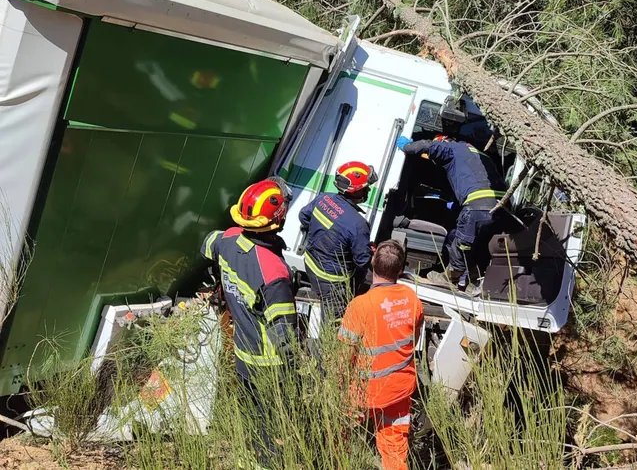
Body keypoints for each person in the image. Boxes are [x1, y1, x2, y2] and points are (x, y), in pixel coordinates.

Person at [200, 177, 298, 469]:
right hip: (269, 364)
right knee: (274, 427)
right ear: (276, 220)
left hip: (242, 354)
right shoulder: (273, 272)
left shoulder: (227, 239)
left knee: (253, 416)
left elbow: (208, 244)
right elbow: (284, 337)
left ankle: (252, 456)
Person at [338, 240, 424, 470]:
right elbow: (413, 341)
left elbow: (344, 357)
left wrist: (336, 387)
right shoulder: (412, 299)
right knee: (395, 449)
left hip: (365, 390)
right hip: (399, 387)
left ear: (372, 262)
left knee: (338, 433)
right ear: (401, 269)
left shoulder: (360, 305)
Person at [396, 134, 507, 292]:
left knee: (460, 244)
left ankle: (449, 279)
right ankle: (472, 282)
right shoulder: (480, 155)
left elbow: (429, 146)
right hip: (500, 211)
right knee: (473, 244)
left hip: (477, 208)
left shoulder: (453, 148)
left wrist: (407, 146)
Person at [299, 161, 377, 321]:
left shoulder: (324, 198)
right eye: (366, 187)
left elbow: (304, 216)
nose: (368, 189)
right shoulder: (358, 224)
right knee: (334, 324)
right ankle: (327, 345)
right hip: (333, 282)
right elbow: (362, 261)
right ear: (356, 191)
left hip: (311, 265)